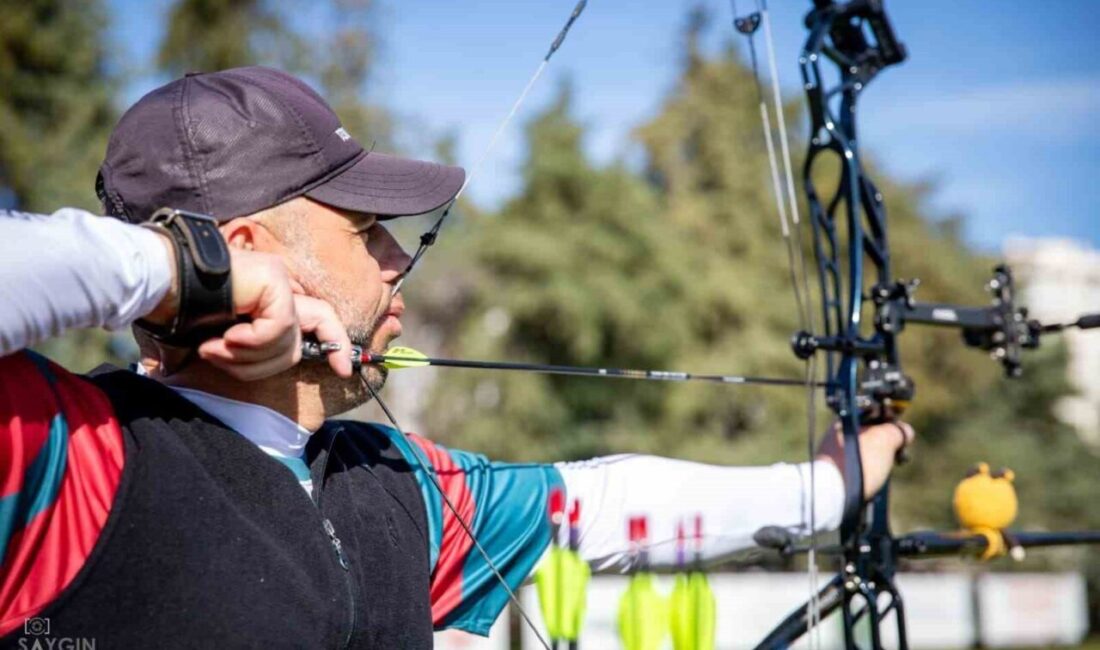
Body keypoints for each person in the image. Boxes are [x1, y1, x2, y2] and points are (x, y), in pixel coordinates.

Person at [0, 66, 913, 648]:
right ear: (247, 249)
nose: (399, 260)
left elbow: (605, 507)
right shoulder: (63, 451)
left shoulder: (401, 482)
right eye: (366, 232)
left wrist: (830, 486)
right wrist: (181, 272)